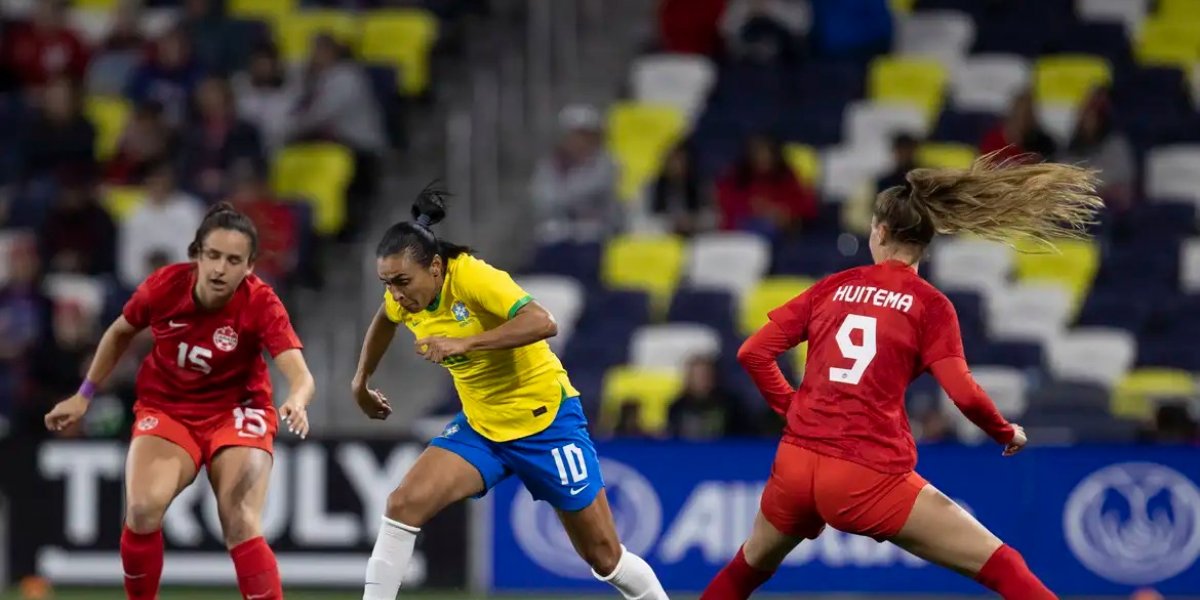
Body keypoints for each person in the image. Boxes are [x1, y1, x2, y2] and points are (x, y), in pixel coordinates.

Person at [701, 153, 1103, 600]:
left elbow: (753, 352)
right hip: (866, 473)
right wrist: (1004, 430)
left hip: (796, 464)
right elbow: (963, 394)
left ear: (882, 232)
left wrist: (792, 408)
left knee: (747, 569)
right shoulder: (929, 305)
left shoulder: (834, 286)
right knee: (1001, 564)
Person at [351, 185, 668, 600]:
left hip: (546, 423)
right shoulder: (405, 297)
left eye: (401, 282)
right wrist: (361, 381)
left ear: (435, 267)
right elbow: (384, 320)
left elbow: (543, 322)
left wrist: (465, 343)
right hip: (482, 429)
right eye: (387, 282)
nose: (395, 293)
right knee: (402, 505)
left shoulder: (473, 277)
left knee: (605, 558)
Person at [42, 203, 316, 600]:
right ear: (196, 256)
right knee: (141, 510)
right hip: (168, 409)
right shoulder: (163, 287)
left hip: (239, 411)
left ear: (250, 267)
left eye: (234, 260)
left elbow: (300, 373)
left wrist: (298, 399)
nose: (221, 268)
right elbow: (120, 332)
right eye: (214, 256)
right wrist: (84, 395)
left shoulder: (261, 302)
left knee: (240, 520)